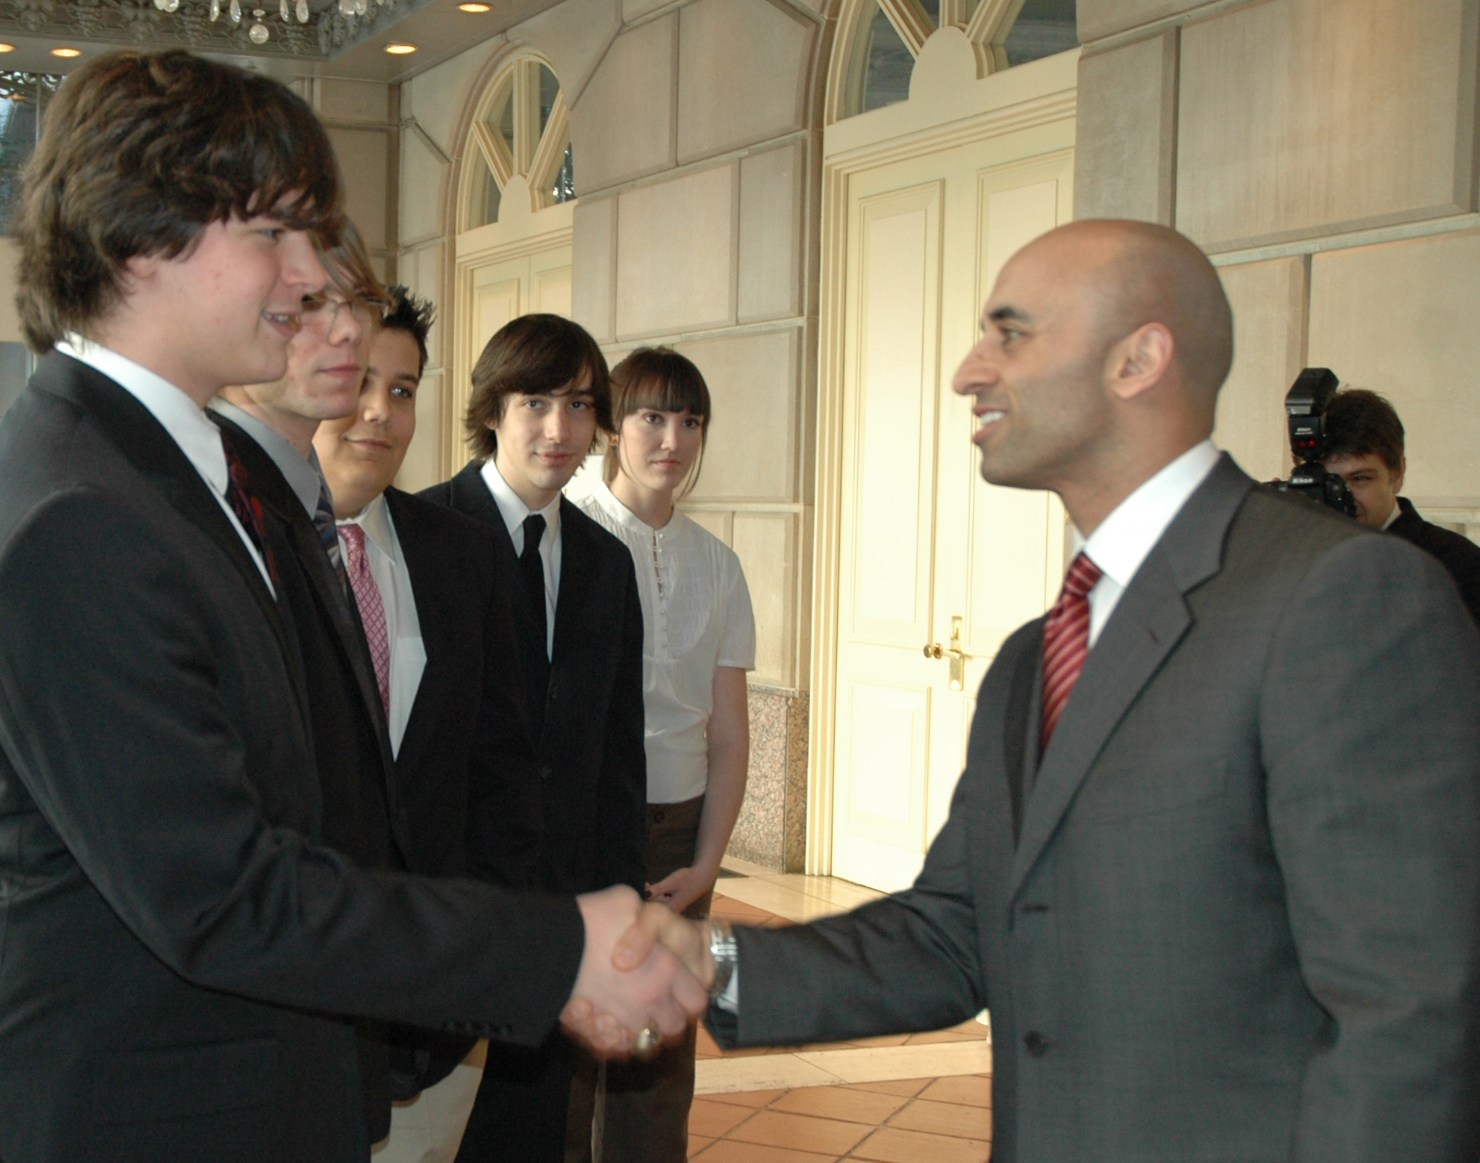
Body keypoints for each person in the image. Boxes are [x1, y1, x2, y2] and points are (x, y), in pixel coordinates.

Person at [624, 219, 1480, 1161]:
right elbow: (957, 931)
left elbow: (1407, 1018)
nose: (968, 371)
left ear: (1138, 358)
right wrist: (708, 961)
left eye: (1011, 333)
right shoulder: (1035, 657)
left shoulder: (1346, 597)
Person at [0, 48, 701, 1163]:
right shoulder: (82, 511)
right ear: (141, 236)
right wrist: (550, 945)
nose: (309, 277)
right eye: (274, 234)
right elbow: (222, 890)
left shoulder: (160, 473)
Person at [314, 287, 542, 1162]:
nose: (379, 411)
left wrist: (487, 943)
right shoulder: (247, 554)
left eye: (403, 389)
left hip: (438, 1010)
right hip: (301, 1011)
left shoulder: (461, 552)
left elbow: (502, 768)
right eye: (358, 381)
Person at [420, 314, 648, 1163]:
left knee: (530, 1134)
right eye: (536, 401)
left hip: (561, 912)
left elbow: (618, 754)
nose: (559, 429)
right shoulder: (423, 532)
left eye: (580, 405)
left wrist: (622, 905)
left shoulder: (605, 561)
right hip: (454, 908)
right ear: (492, 407)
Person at [210, 219, 413, 1145]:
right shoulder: (214, 505)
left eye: (356, 304)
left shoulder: (297, 501)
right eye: (307, 304)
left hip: (331, 1011)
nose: (341, 332)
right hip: (248, 1040)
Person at [567, 347, 754, 1163]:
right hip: (580, 820)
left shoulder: (718, 563)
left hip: (677, 827)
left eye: (690, 421)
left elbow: (729, 732)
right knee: (567, 1045)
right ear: (614, 425)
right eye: (651, 416)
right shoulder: (567, 530)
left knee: (660, 1048)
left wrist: (708, 863)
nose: (671, 438)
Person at [1322, 387, 1480, 625]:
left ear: (1397, 475)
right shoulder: (1292, 558)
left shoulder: (1460, 567)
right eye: (1330, 482)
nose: (1344, 497)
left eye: (1361, 479)